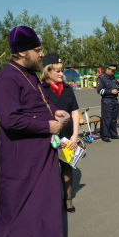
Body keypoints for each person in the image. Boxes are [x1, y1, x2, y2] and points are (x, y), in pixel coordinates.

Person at [0, 26, 70, 237]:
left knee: (41, 205)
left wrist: (55, 112)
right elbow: (9, 120)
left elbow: (40, 103)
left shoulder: (30, 75)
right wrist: (48, 125)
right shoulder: (6, 79)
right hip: (20, 157)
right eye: (37, 50)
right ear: (21, 52)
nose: (42, 55)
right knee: (16, 206)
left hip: (40, 153)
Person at [41, 53, 80, 213]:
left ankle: (68, 199)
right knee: (47, 172)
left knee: (67, 169)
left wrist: (74, 136)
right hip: (47, 138)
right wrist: (54, 137)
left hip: (67, 137)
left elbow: (75, 112)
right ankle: (48, 202)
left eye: (62, 70)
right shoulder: (40, 90)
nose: (61, 74)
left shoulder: (68, 89)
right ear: (47, 71)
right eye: (57, 71)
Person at [97, 64, 119, 142]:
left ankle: (114, 134)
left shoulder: (114, 78)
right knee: (106, 119)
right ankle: (105, 136)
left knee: (114, 119)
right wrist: (110, 91)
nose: (113, 72)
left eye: (113, 71)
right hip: (106, 100)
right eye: (112, 71)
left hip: (114, 100)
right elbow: (100, 91)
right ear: (107, 69)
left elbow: (117, 87)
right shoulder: (101, 78)